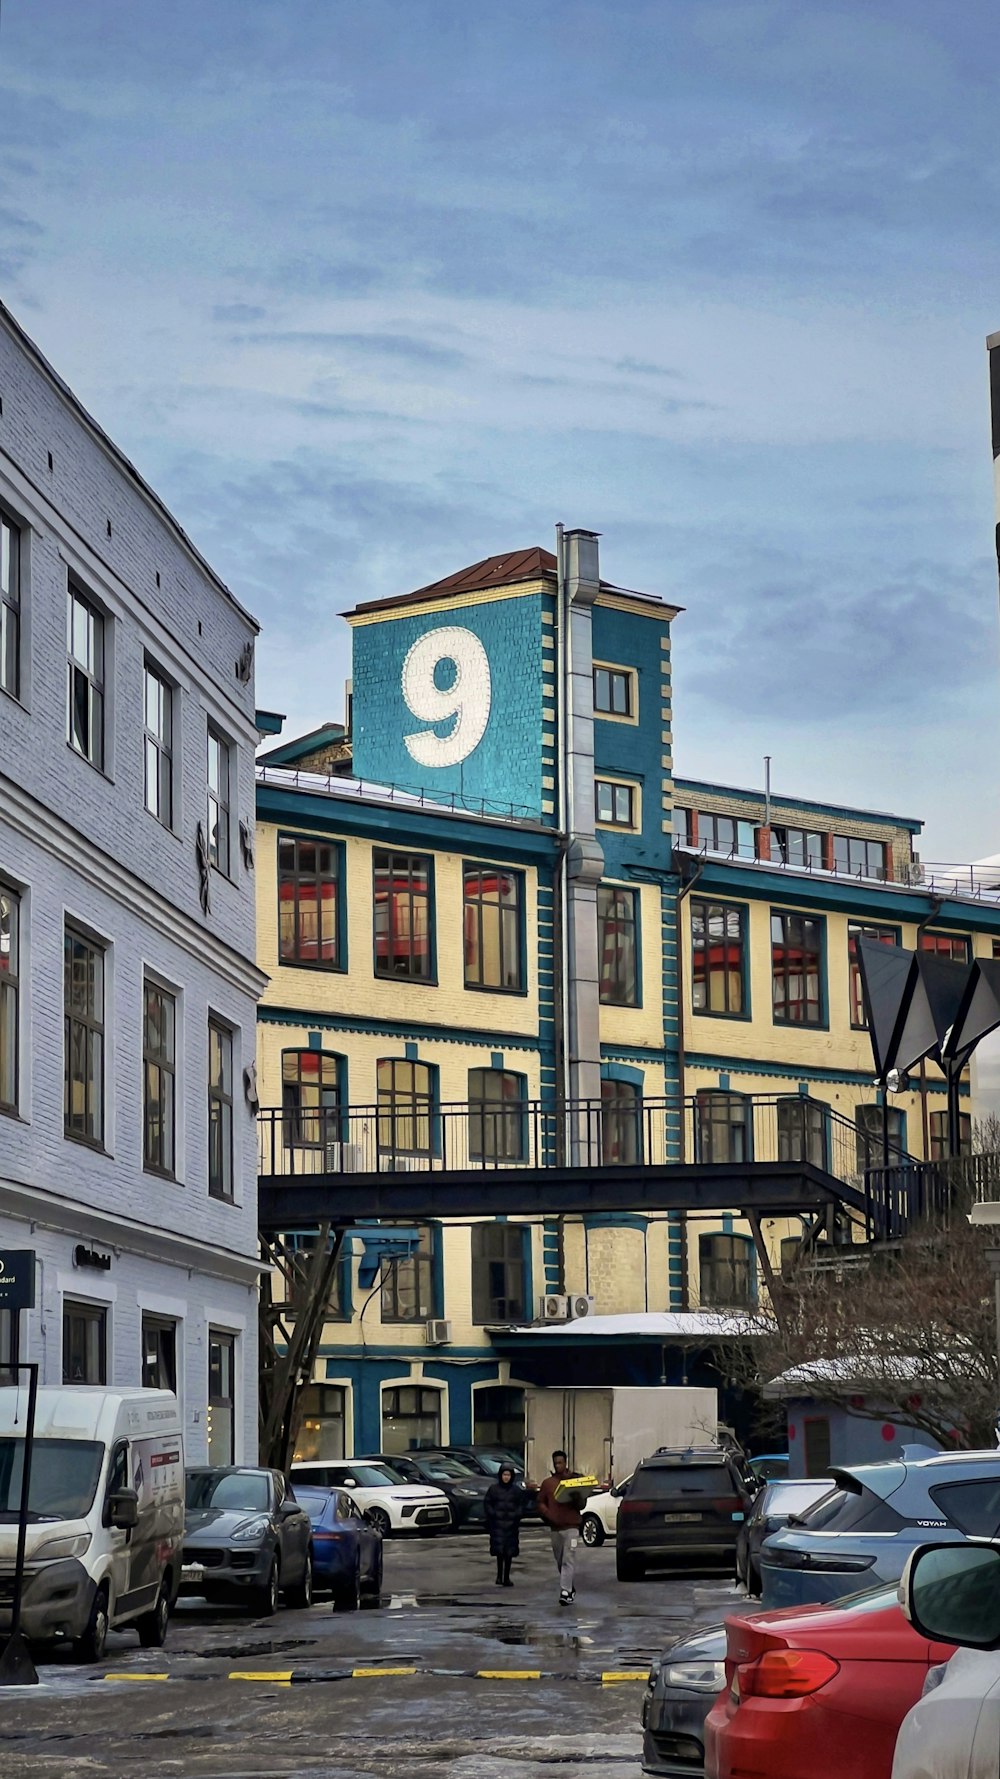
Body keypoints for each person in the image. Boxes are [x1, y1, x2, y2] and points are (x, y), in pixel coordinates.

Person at [536, 1449, 582, 1605]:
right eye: (555, 1463)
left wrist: (576, 1496)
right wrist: (547, 1513)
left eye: (560, 1463)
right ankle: (569, 1586)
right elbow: (540, 1502)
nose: (558, 1466)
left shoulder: (574, 1481)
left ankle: (564, 1591)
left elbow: (582, 1504)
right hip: (555, 1528)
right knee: (560, 1560)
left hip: (572, 1527)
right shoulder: (548, 1483)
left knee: (568, 1559)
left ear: (565, 1463)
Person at [483, 1462, 526, 1587]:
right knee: (499, 1552)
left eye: (508, 1474)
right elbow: (487, 1503)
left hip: (511, 1526)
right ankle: (499, 1576)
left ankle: (506, 1577)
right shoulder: (494, 1489)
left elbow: (522, 1505)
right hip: (498, 1525)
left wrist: (517, 1515)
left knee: (509, 1552)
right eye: (504, 1474)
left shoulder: (516, 1491)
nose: (506, 1477)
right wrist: (493, 1514)